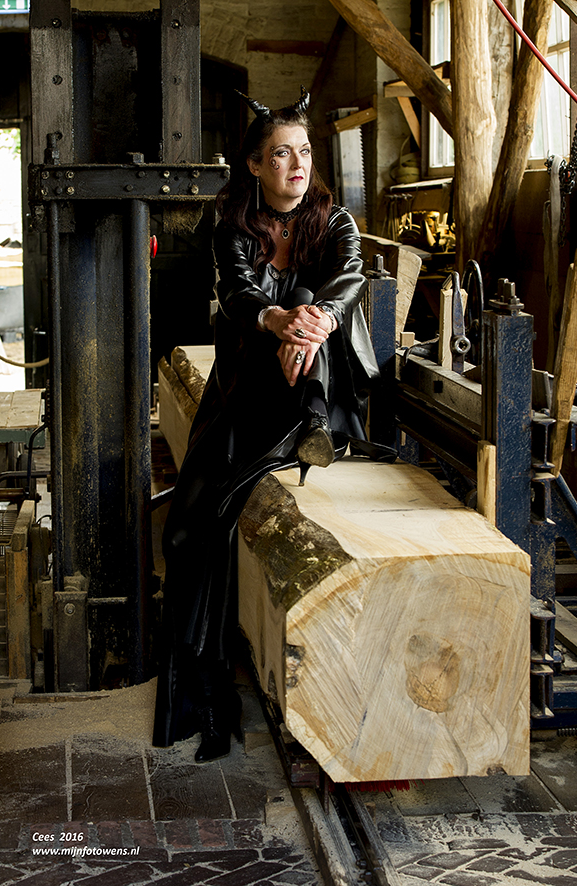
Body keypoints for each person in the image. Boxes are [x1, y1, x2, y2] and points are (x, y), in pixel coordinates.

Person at [152, 86, 395, 762]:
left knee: (317, 314)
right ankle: (206, 695)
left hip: (320, 388)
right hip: (245, 390)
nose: (297, 164)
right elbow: (236, 293)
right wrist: (278, 321)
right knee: (188, 530)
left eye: (304, 152)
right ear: (255, 165)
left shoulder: (335, 221)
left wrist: (309, 321)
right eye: (281, 154)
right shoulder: (232, 223)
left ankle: (312, 426)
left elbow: (348, 279)